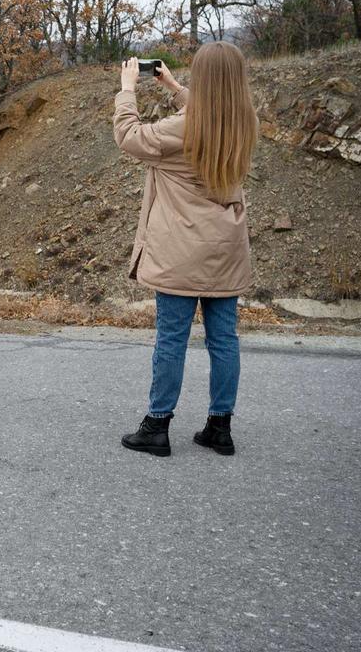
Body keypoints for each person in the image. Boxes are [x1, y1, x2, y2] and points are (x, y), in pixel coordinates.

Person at [112, 43, 258, 457]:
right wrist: (175, 87)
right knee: (224, 339)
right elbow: (210, 114)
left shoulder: (183, 127)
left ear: (206, 79)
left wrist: (128, 89)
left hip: (180, 249)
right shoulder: (243, 122)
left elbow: (129, 137)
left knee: (172, 339)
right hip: (226, 248)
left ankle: (157, 426)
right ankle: (220, 427)